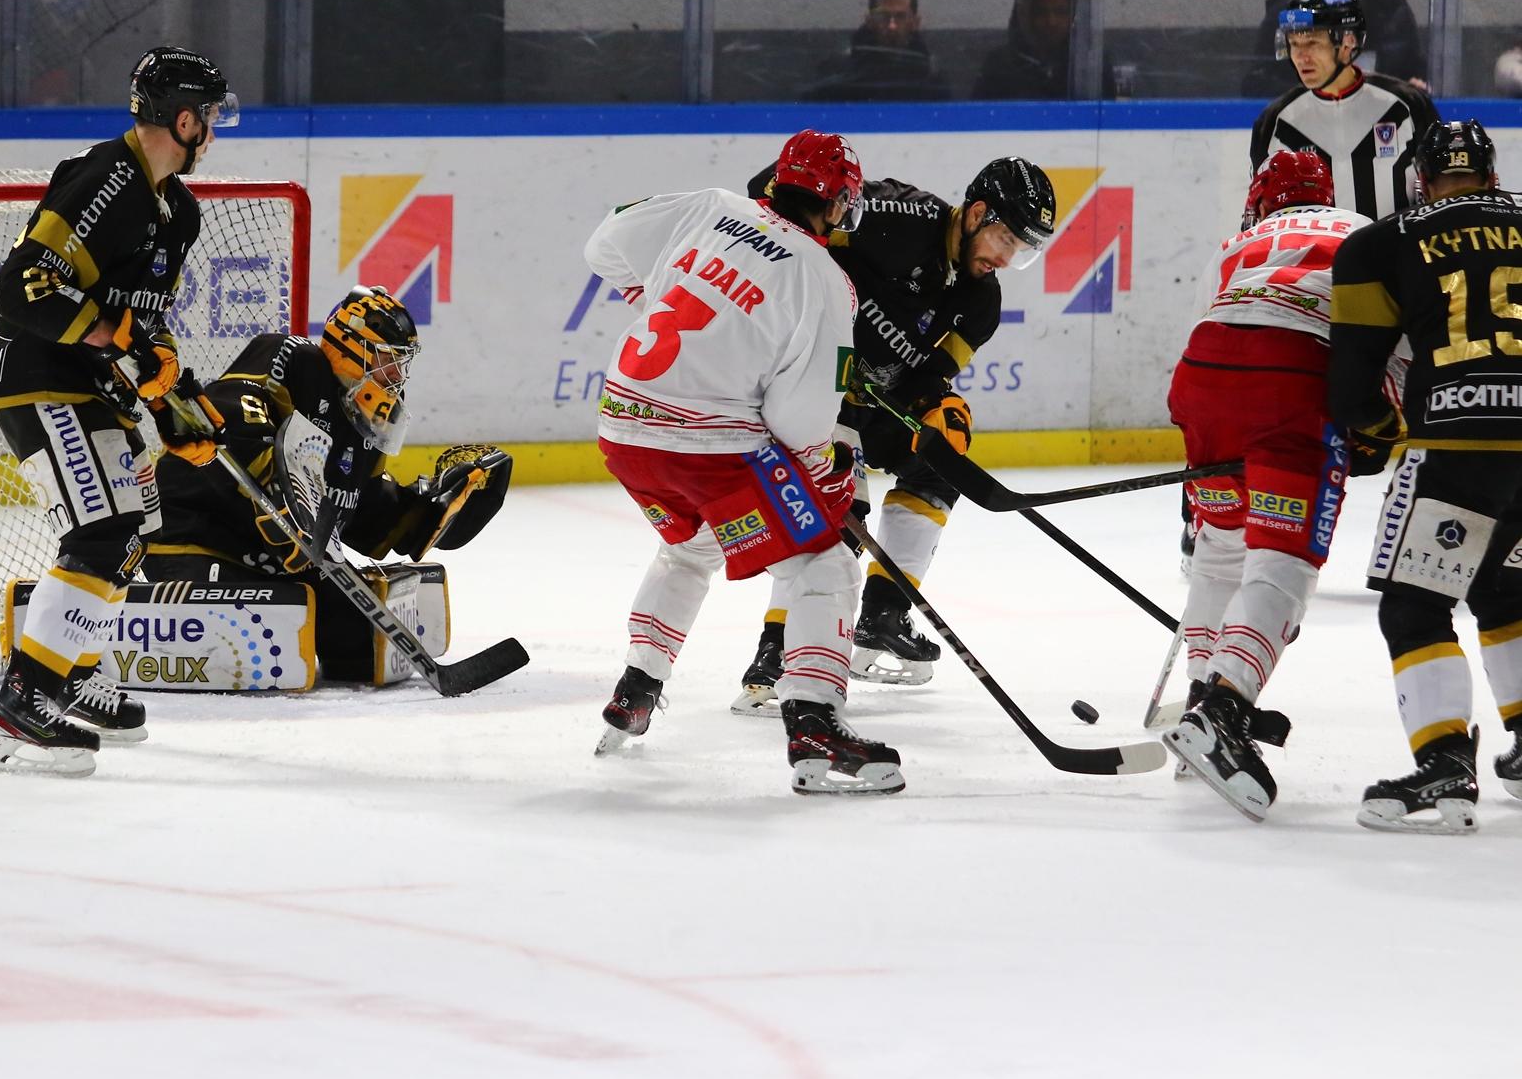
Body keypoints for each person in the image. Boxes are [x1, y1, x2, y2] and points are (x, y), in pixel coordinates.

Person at [586, 130, 904, 797]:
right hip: (710, 452)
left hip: (623, 429)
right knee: (824, 563)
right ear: (838, 202)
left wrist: (652, 297)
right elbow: (802, 425)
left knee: (690, 548)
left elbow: (604, 244)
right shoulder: (826, 280)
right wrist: (828, 469)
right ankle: (814, 723)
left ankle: (636, 689)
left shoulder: (710, 205)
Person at [0, 46, 239, 777]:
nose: (212, 131)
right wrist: (113, 333)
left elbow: (141, 324)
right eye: (208, 115)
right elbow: (23, 287)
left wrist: (175, 398)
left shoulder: (178, 210)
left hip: (96, 389)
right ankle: (22, 708)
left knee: (130, 538)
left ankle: (74, 676)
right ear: (183, 120)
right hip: (43, 382)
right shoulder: (105, 178)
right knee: (102, 536)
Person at [732, 156, 1056, 711]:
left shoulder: (981, 302)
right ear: (975, 213)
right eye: (1005, 238)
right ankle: (777, 646)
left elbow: (930, 378)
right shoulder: (896, 215)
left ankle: (884, 612)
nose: (1006, 258)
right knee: (838, 518)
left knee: (940, 461)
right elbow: (768, 189)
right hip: (815, 389)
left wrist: (938, 409)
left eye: (1021, 249)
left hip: (876, 404)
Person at [139, 289, 511, 672]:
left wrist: (431, 517)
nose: (397, 376)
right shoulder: (294, 359)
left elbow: (362, 514)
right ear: (350, 347)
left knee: (362, 644)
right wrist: (275, 483)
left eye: (403, 364)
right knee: (263, 644)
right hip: (193, 538)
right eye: (388, 360)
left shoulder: (364, 424)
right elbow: (231, 409)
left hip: (274, 562)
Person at [1161, 150, 1369, 822]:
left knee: (1220, 550)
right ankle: (1222, 711)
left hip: (1203, 383)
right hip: (1291, 384)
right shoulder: (1362, 232)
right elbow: (1381, 334)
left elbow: (1202, 327)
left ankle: (1200, 696)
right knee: (1284, 560)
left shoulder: (1237, 242)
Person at [1329, 119, 1522, 835]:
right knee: (1504, 590)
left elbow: (1352, 389)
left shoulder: (1382, 242)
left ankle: (1444, 762)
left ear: (1421, 181)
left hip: (1458, 451)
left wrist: (1379, 432)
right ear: (1492, 177)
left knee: (1415, 605)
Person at [1247, 0, 1438, 222]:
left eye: (1312, 43)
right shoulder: (1275, 122)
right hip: (1316, 248)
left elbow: (1439, 193)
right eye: (1294, 44)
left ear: (1348, 43)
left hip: (1393, 247)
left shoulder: (1407, 106)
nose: (1301, 56)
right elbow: (1258, 213)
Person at [1242, 0, 1427, 96]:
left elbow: (1418, 74)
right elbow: (1256, 84)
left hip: (1379, 125)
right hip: (1309, 126)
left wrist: (1413, 89)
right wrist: (1314, 96)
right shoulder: (1288, 10)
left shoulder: (1393, 7)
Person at [972, 0, 1114, 101]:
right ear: (1027, 15)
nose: (1051, 21)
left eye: (1061, 12)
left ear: (1074, 14)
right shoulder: (999, 65)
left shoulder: (1091, 64)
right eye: (1041, 12)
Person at [805, 0, 949, 102]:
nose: (892, 26)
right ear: (869, 21)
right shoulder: (839, 71)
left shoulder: (931, 77)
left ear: (915, 22)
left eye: (900, 17)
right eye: (883, 16)